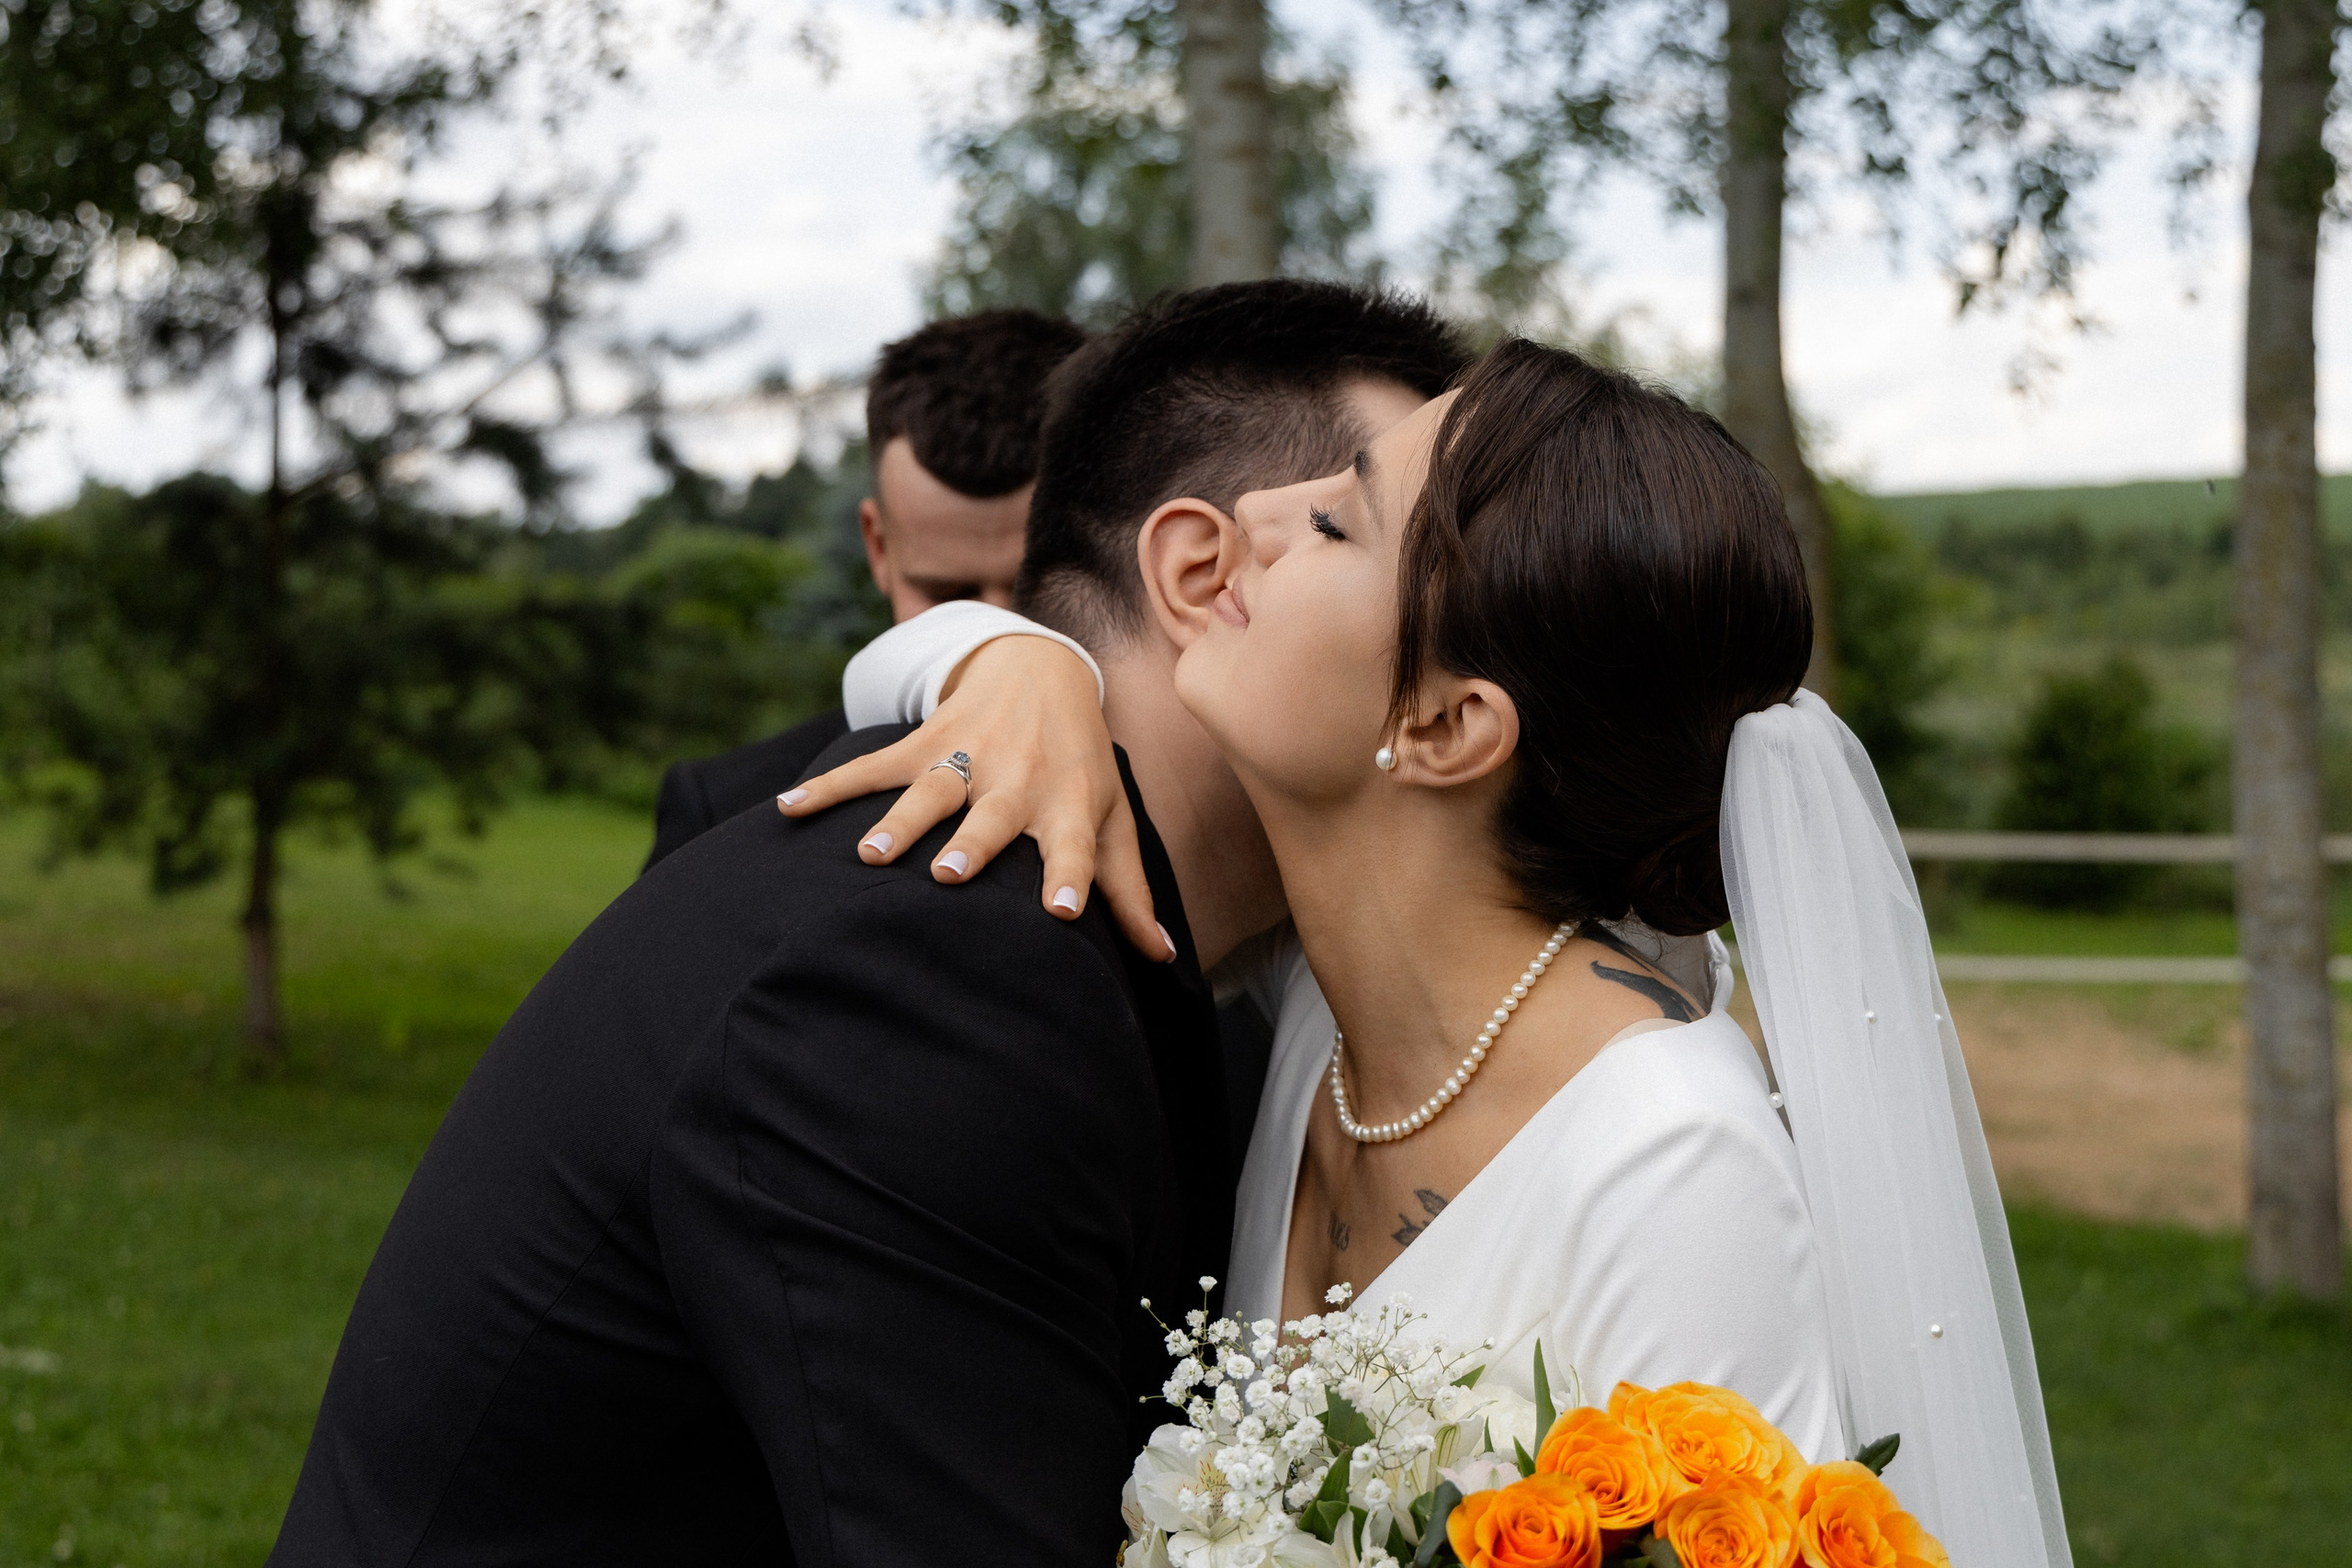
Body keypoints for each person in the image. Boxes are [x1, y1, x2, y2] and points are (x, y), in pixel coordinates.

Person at [790, 340, 2073, 1566]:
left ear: (1449, 722)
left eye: (1340, 522)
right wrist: (1017, 659)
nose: (1262, 514)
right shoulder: (1320, 999)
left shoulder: (1671, 1162)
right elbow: (889, 663)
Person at [264, 280, 1469, 1567]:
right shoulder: (944, 958)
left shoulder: (1200, 959)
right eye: (1436, 562)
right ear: (1206, 574)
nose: (1492, 630)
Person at [641, 308, 1086, 873]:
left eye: (1037, 589)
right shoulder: (723, 810)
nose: (994, 635)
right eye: (950, 596)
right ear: (877, 546)